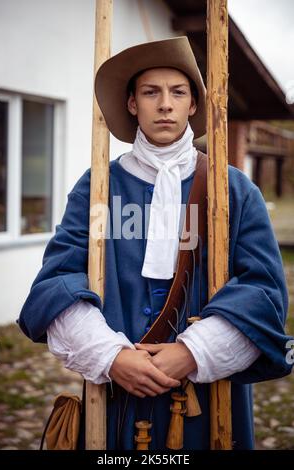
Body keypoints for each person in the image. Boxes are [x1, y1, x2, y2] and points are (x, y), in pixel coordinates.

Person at [19, 37, 293, 450]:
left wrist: (194, 352)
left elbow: (264, 292)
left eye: (178, 92)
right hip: (116, 396)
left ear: (193, 105)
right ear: (132, 104)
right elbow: (56, 282)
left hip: (208, 399)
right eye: (151, 92)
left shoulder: (234, 189)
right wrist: (111, 356)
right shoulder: (97, 187)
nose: (165, 104)